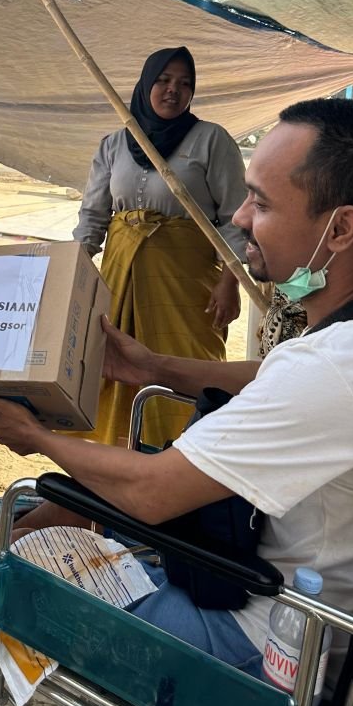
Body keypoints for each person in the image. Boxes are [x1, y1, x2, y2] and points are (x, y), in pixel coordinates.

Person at [0, 97, 353, 699]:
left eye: (265, 203)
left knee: (48, 539)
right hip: (267, 576)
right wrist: (148, 364)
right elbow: (269, 376)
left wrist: (39, 438)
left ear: (343, 228)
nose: (243, 217)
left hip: (257, 645)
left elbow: (152, 492)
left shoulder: (331, 370)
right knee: (91, 488)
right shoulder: (352, 337)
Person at [73, 46, 248, 446]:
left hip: (188, 286)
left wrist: (229, 281)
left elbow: (236, 216)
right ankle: (117, 461)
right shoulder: (115, 143)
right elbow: (93, 217)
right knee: (116, 364)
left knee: (189, 368)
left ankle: (184, 460)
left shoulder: (211, 140)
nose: (174, 90)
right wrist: (74, 272)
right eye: (165, 80)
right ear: (146, 84)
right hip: (120, 279)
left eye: (185, 84)